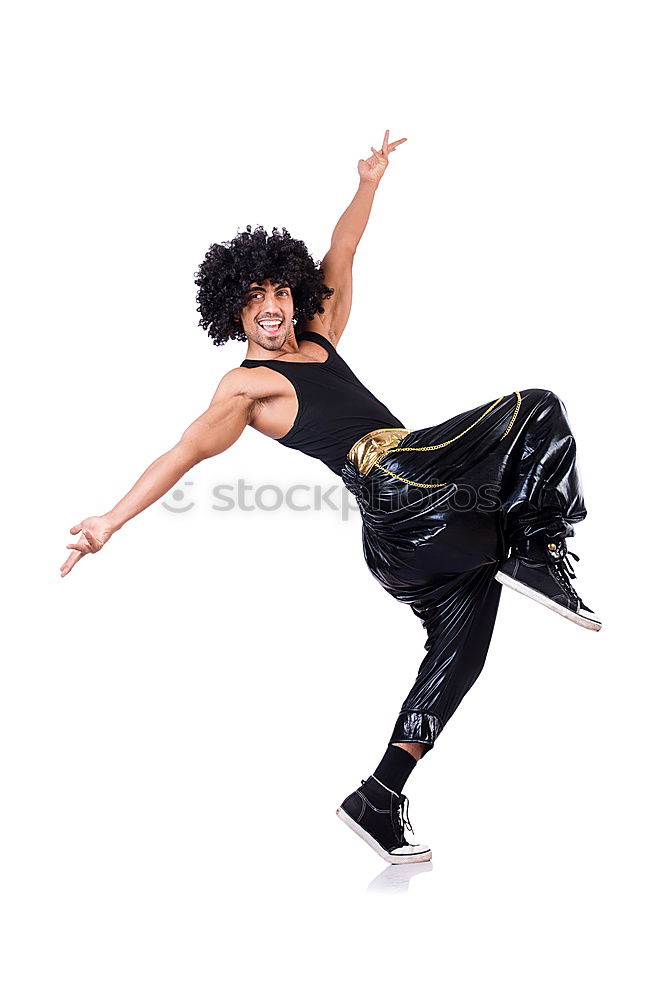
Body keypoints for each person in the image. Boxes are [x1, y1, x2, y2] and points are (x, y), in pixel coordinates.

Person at [60, 130, 601, 866]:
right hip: (402, 490)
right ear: (235, 313)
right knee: (534, 409)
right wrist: (108, 523)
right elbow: (181, 452)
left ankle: (380, 794)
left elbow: (342, 249)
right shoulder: (246, 388)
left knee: (460, 651)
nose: (273, 306)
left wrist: (369, 182)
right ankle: (540, 552)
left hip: (422, 524)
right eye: (255, 300)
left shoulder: (321, 333)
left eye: (280, 290)